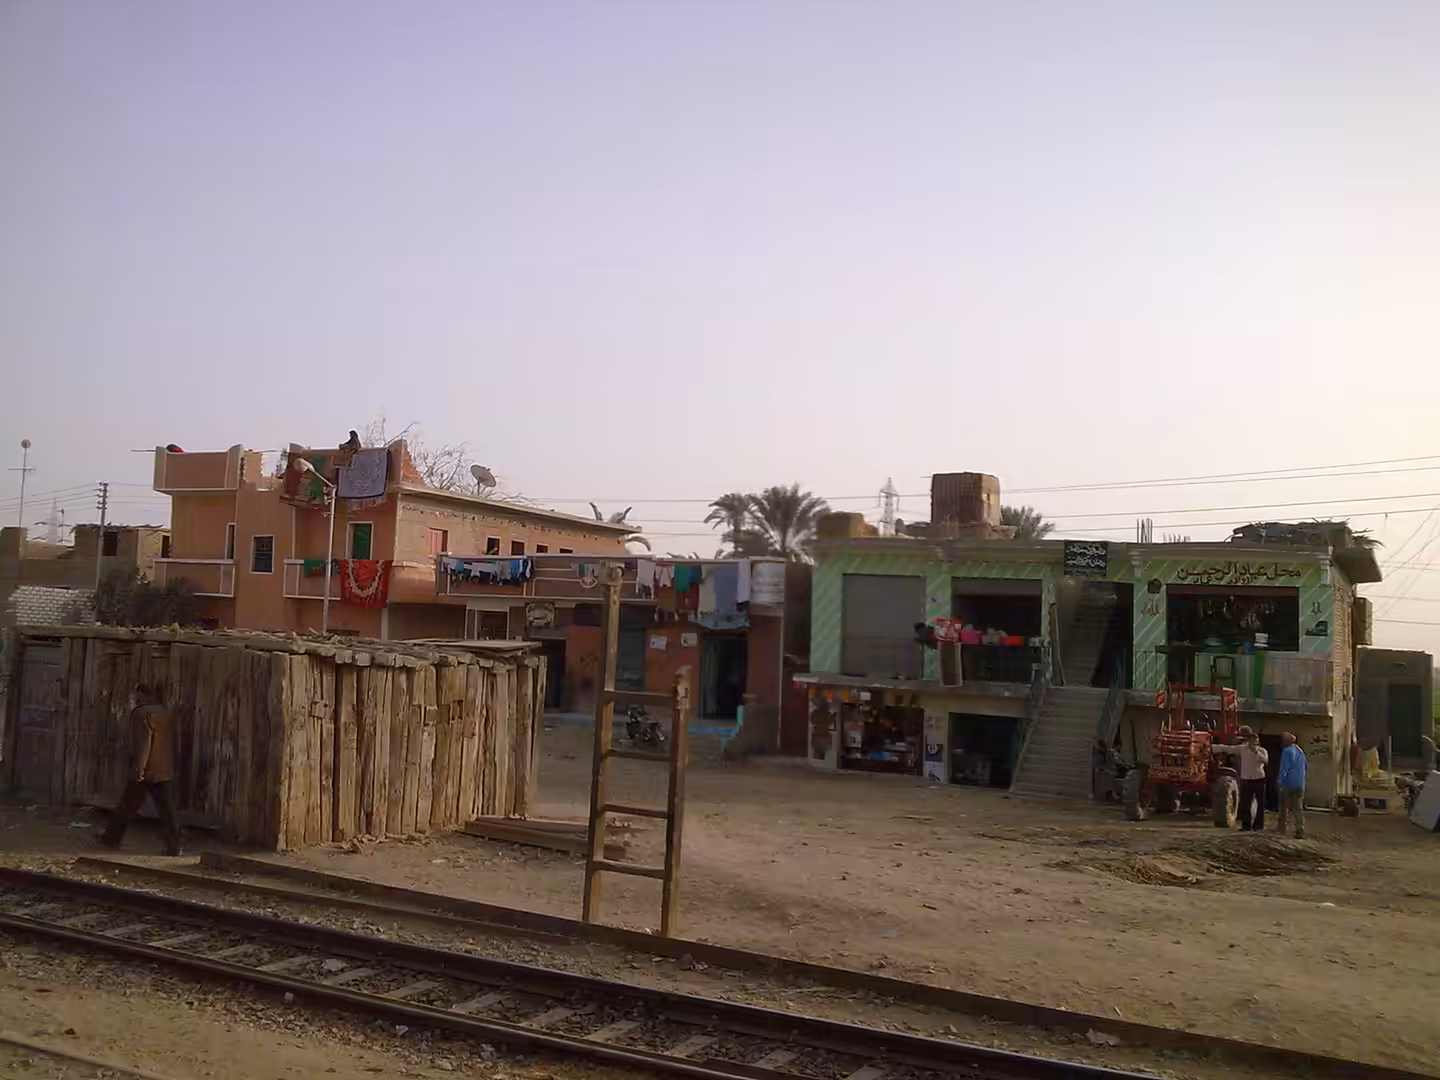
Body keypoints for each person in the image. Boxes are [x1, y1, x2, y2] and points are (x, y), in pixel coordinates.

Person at [99, 683, 182, 855]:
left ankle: (111, 838)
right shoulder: (164, 713)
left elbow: (143, 744)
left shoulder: (141, 714)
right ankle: (175, 847)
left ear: (144, 695)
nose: (136, 699)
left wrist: (139, 770)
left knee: (126, 806)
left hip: (146, 770)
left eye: (138, 695)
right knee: (167, 811)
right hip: (164, 769)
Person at [1214, 725, 1269, 832]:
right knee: (1245, 803)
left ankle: (1258, 826)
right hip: (1246, 779)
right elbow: (1228, 749)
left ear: (1257, 741)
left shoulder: (1262, 751)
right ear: (1248, 740)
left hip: (1259, 779)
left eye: (1255, 740)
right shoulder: (1242, 748)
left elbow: (1265, 761)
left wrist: (1255, 752)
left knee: (1260, 803)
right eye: (1251, 740)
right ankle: (1246, 826)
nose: (1252, 742)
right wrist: (1213, 747)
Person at [1277, 732, 1307, 839]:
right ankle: (1300, 829)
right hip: (1300, 783)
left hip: (1288, 783)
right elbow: (1305, 767)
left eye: (1283, 740)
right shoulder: (1300, 751)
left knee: (1283, 806)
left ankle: (1282, 829)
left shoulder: (1287, 751)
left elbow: (1284, 768)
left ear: (1286, 741)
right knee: (1297, 807)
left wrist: (1280, 780)